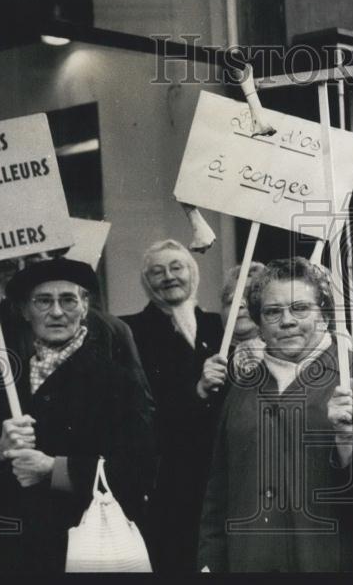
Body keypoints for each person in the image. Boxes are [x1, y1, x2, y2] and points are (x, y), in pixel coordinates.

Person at [198, 257, 353, 572]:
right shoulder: (240, 388)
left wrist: (347, 442)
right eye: (273, 312)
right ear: (258, 324)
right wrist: (209, 565)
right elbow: (218, 496)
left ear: (325, 316)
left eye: (300, 308)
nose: (286, 321)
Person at [0, 258, 156, 573]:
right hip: (18, 551)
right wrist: (0, 450)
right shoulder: (6, 380)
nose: (56, 312)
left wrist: (53, 469)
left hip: (86, 546)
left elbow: (140, 469)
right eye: (43, 301)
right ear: (25, 311)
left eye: (68, 300)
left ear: (84, 307)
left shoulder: (117, 380)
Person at [119, 239, 224, 574]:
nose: (168, 277)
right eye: (157, 271)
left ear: (192, 272)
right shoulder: (130, 331)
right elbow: (137, 407)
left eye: (176, 267)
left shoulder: (220, 325)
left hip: (218, 474)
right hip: (167, 480)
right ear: (146, 281)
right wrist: (196, 390)